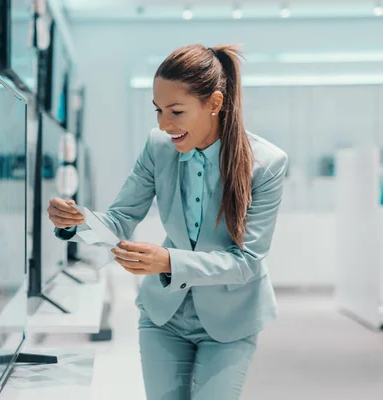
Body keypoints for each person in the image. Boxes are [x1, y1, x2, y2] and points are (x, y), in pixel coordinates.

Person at [48, 44, 288, 400]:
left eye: (176, 111)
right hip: (164, 316)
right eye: (158, 110)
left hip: (231, 317)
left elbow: (247, 262)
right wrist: (76, 222)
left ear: (215, 104)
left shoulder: (266, 164)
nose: (164, 124)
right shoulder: (159, 147)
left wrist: (168, 261)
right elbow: (121, 218)